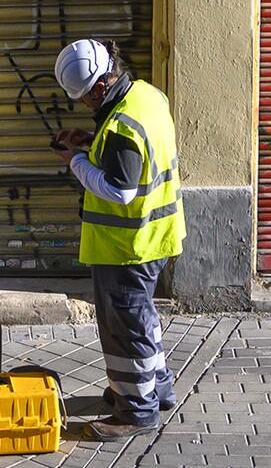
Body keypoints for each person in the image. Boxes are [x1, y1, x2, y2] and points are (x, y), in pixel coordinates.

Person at [50, 37, 185, 438]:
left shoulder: (123, 124)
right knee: (140, 318)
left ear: (100, 85)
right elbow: (136, 157)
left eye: (84, 97)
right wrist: (92, 143)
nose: (83, 104)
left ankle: (136, 411)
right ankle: (155, 388)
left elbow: (119, 189)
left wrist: (75, 160)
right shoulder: (146, 96)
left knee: (124, 327)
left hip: (127, 246)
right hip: (155, 234)